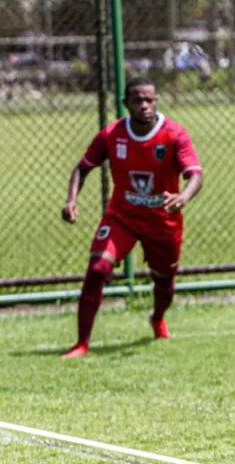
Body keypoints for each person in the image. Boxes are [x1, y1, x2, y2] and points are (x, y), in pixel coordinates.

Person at [60, 77, 202, 359]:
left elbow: (195, 174)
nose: (145, 105)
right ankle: (81, 343)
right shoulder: (111, 134)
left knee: (164, 282)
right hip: (122, 218)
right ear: (126, 103)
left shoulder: (174, 134)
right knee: (98, 269)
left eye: (150, 99)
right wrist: (71, 200)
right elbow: (83, 167)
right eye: (138, 100)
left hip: (163, 221)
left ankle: (157, 317)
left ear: (156, 100)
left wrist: (183, 197)